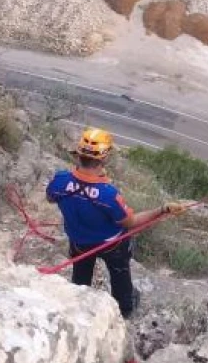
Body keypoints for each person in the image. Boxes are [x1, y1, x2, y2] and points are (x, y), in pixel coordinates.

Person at [46, 127, 188, 319]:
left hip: (79, 241)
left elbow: (51, 198)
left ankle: (78, 303)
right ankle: (124, 307)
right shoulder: (108, 194)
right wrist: (162, 209)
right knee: (120, 273)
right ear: (104, 158)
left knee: (81, 274)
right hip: (111, 244)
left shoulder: (59, 181)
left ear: (79, 155)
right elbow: (131, 222)